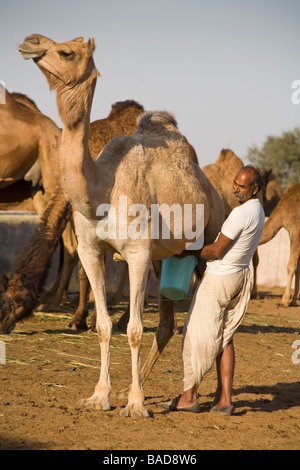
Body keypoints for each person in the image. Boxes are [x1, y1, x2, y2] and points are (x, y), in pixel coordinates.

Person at [159, 165, 265, 415]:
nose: (235, 189)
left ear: (255, 189)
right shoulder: (258, 211)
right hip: (239, 276)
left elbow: (217, 251)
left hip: (220, 278)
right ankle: (225, 400)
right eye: (235, 183)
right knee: (224, 337)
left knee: (196, 334)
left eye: (242, 186)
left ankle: (189, 396)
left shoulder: (241, 214)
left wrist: (187, 251)